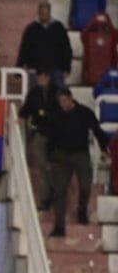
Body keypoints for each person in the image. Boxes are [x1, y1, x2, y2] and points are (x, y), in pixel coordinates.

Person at [45, 89, 109, 236]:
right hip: (61, 156)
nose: (62, 104)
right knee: (59, 191)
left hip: (81, 154)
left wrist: (104, 149)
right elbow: (50, 138)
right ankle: (59, 226)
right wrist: (50, 158)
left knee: (86, 185)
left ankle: (82, 210)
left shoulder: (85, 113)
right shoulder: (56, 115)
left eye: (64, 101)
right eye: (60, 102)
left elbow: (97, 130)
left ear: (70, 98)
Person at [20, 70, 57, 211]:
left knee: (56, 166)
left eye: (43, 76)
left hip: (56, 136)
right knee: (42, 166)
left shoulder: (58, 92)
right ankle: (45, 197)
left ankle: (55, 192)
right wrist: (20, 119)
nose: (41, 78)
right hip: (40, 133)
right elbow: (25, 111)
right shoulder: (34, 93)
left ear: (49, 77)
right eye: (39, 76)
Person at [17, 2, 72, 88]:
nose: (44, 16)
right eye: (42, 13)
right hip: (35, 68)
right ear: (38, 12)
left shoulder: (59, 27)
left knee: (58, 92)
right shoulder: (31, 28)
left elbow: (66, 49)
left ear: (49, 12)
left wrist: (67, 68)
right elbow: (24, 48)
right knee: (35, 93)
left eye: (46, 13)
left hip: (56, 68)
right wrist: (19, 66)